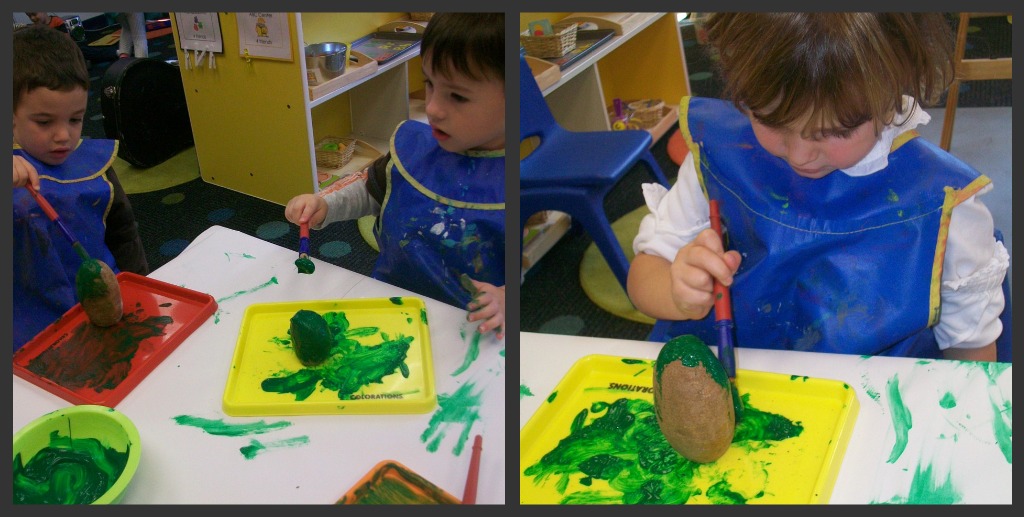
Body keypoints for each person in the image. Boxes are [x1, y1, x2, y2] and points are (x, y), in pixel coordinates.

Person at [627, 13, 1008, 362]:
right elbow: (643, 279)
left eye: (834, 132)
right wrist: (678, 294)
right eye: (771, 122)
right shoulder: (719, 155)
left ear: (892, 90)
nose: (800, 156)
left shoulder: (944, 205)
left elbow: (971, 352)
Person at [284, 13, 506, 339]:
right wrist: (324, 205)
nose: (432, 108)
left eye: (456, 95)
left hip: (468, 329)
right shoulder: (414, 149)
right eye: (430, 84)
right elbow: (373, 189)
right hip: (390, 304)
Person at [12, 24, 149, 351]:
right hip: (33, 323)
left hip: (107, 304)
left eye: (75, 119)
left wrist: (142, 286)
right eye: (44, 122)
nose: (63, 136)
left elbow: (123, 232)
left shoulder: (94, 164)